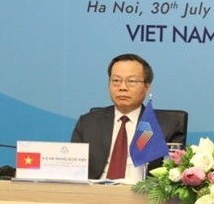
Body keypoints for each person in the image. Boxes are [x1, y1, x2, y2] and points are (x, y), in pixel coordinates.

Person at [71, 53, 185, 181]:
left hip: (142, 191)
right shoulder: (88, 123)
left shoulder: (166, 126)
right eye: (116, 81)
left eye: (131, 81)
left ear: (147, 86)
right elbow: (72, 169)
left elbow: (175, 173)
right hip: (96, 190)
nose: (122, 87)